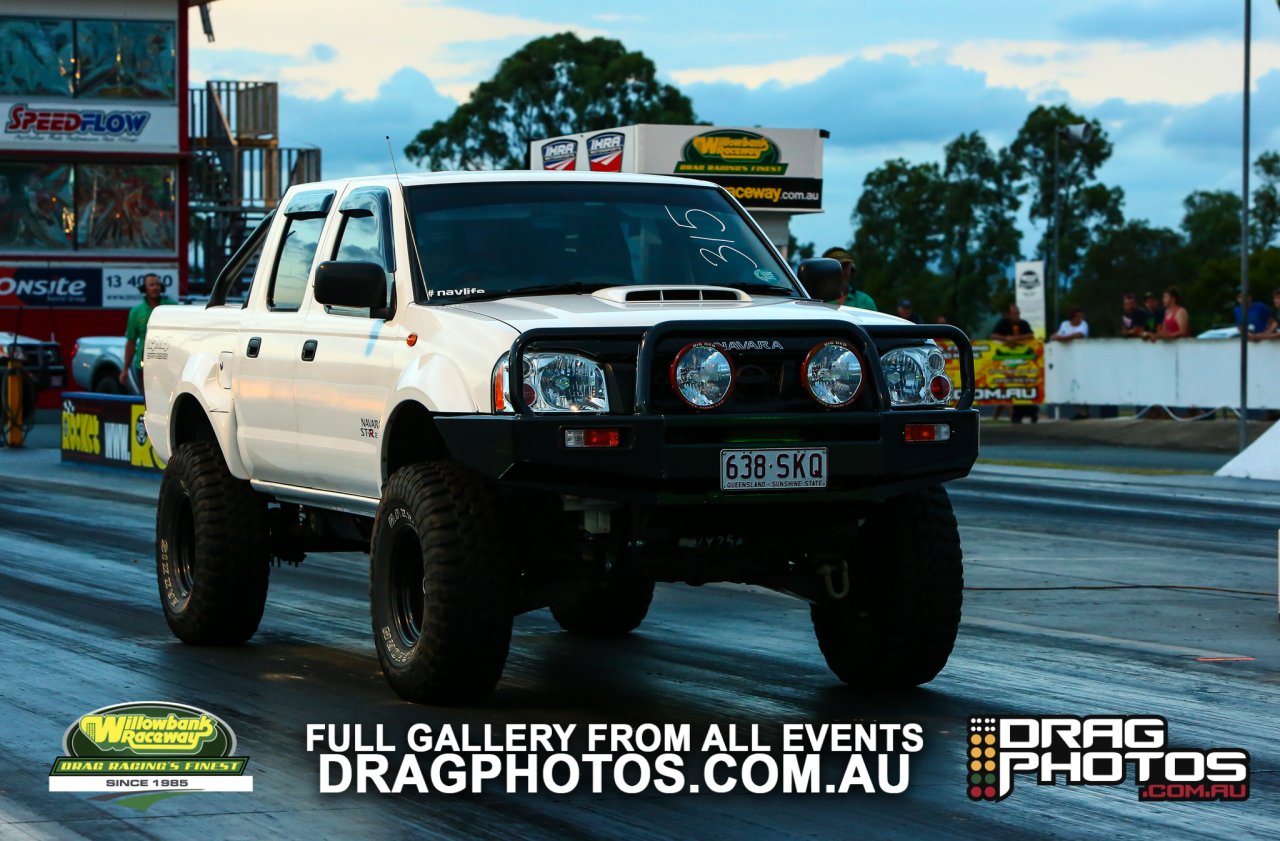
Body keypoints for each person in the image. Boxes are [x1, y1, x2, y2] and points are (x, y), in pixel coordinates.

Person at [120, 273, 177, 392]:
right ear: (144, 289)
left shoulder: (173, 307)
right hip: (144, 365)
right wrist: (125, 369)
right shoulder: (136, 312)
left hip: (169, 363)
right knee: (146, 399)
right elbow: (131, 342)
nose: (155, 287)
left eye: (157, 284)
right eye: (151, 285)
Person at [990, 303, 1038, 423]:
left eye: (1018, 313)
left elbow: (1031, 335)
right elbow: (993, 335)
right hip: (1006, 361)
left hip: (1022, 361)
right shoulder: (1002, 323)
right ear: (1008, 314)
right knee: (1009, 386)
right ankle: (1015, 415)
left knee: (1023, 384)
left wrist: (1017, 338)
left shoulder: (1023, 324)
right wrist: (1006, 339)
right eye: (1014, 313)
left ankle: (1030, 411)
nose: (1017, 316)